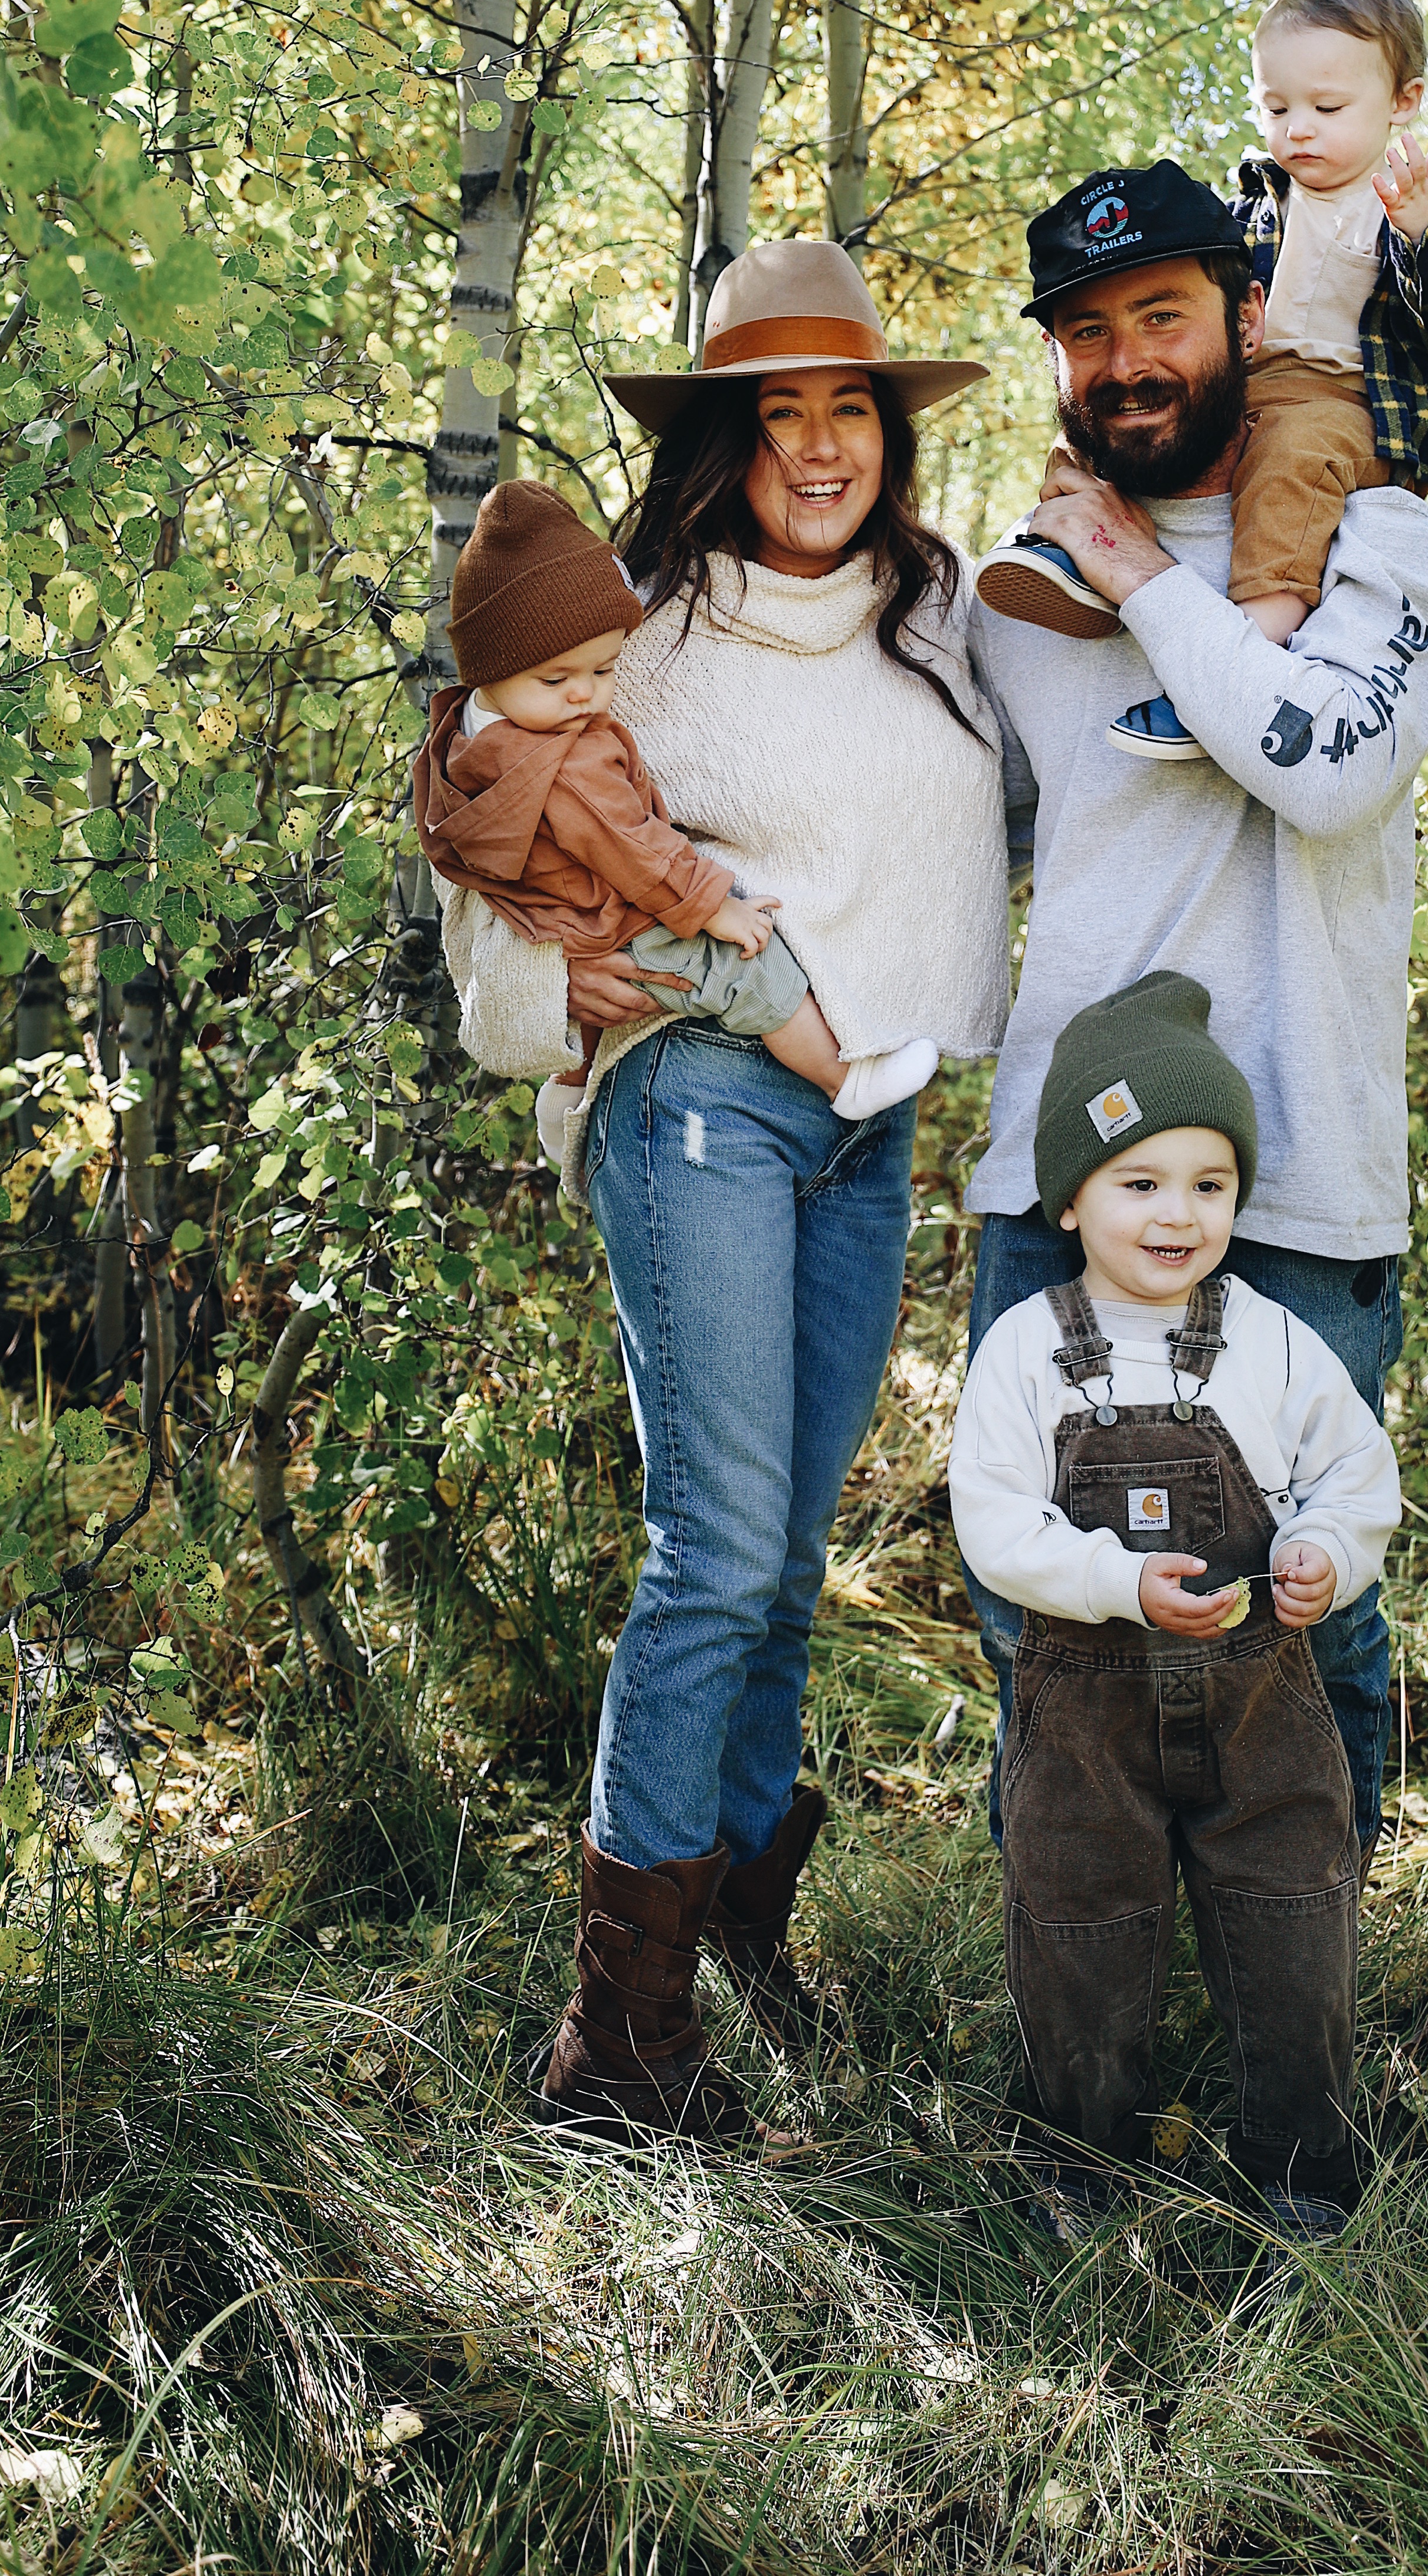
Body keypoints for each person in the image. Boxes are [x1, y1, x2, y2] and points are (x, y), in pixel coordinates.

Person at [434, 241, 1011, 2140]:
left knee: (782, 1563)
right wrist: (551, 993)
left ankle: (741, 1941)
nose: (826, 445)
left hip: (868, 1126)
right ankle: (616, 2050)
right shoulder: (646, 628)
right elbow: (480, 834)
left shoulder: (933, 617)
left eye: (853, 408)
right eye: (785, 415)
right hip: (698, 1101)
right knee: (717, 1546)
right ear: (724, 443)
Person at [958, 154, 1428, 1867]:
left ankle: (1306, 2006)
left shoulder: (1371, 536)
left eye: (1159, 315)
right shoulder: (1014, 598)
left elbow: (1319, 769)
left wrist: (1142, 577)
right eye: (1085, 333)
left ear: (1247, 315)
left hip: (1302, 1180)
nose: (1125, 363)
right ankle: (1093, 2004)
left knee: (1304, 1616)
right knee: (1034, 1602)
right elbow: (935, 850)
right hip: (1053, 1190)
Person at [950, 973, 1398, 2231]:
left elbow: (1355, 1472)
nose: (1177, 1212)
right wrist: (1112, 1580)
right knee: (1081, 1920)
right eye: (1138, 1181)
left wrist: (1320, 1547)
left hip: (1262, 1706)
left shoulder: (1266, 1336)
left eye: (1209, 1183)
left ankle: (1301, 2163)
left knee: (1290, 1915)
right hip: (1085, 1719)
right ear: (1069, 1197)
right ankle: (1083, 2162)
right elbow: (992, 1518)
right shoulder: (1026, 1347)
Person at [978, 0, 1428, 756]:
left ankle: (1247, 649)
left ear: (1403, 103)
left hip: (1348, 401)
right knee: (1114, 415)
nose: (1296, 128)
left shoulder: (1423, 202)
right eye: (1275, 106)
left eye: (1326, 107)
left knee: (1289, 466)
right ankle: (1073, 551)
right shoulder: (1255, 199)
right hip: (1252, 380)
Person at [412, 478, 938, 1127]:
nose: (584, 696)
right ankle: (844, 1076)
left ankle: (566, 1090)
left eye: (604, 670)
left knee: (618, 996)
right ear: (487, 665)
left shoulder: (458, 739)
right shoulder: (569, 761)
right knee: (743, 969)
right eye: (555, 679)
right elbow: (634, 846)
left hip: (552, 922)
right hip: (611, 916)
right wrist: (715, 906)